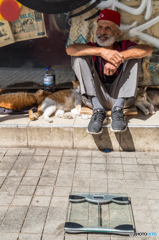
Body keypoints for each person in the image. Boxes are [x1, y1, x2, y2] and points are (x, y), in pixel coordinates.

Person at [66, 9, 153, 134]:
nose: (102, 32)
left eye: (108, 28)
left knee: (135, 56)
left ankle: (117, 110)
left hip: (123, 100)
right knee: (78, 56)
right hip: (94, 100)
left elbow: (147, 49)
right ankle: (98, 111)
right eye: (100, 27)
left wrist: (119, 58)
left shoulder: (124, 45)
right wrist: (102, 51)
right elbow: (70, 49)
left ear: (117, 34)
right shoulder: (91, 47)